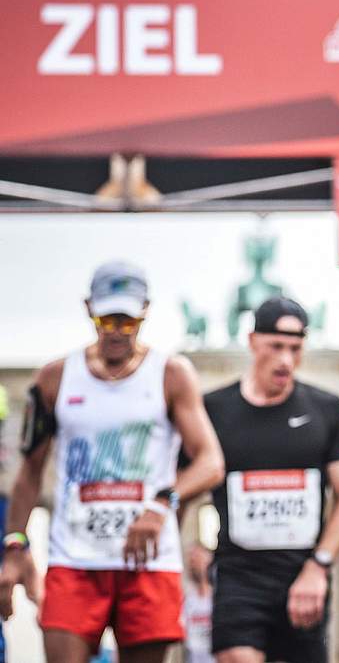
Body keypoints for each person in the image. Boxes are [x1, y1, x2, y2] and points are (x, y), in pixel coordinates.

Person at [0, 261, 225, 663]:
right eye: (107, 320)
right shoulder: (54, 378)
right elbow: (29, 473)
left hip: (149, 562)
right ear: (89, 310)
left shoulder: (171, 374)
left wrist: (162, 502)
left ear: (145, 313)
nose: (117, 331)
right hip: (75, 559)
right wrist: (15, 546)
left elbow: (210, 462)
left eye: (127, 320)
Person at [203, 297, 339, 663]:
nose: (286, 360)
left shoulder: (327, 408)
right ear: (252, 340)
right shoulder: (213, 409)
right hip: (238, 575)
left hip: (303, 575)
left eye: (295, 348)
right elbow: (185, 478)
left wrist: (318, 567)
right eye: (276, 346)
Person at [183, 543, 215, 663]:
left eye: (198, 557)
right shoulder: (187, 600)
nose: (193, 562)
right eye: (191, 558)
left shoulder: (222, 598)